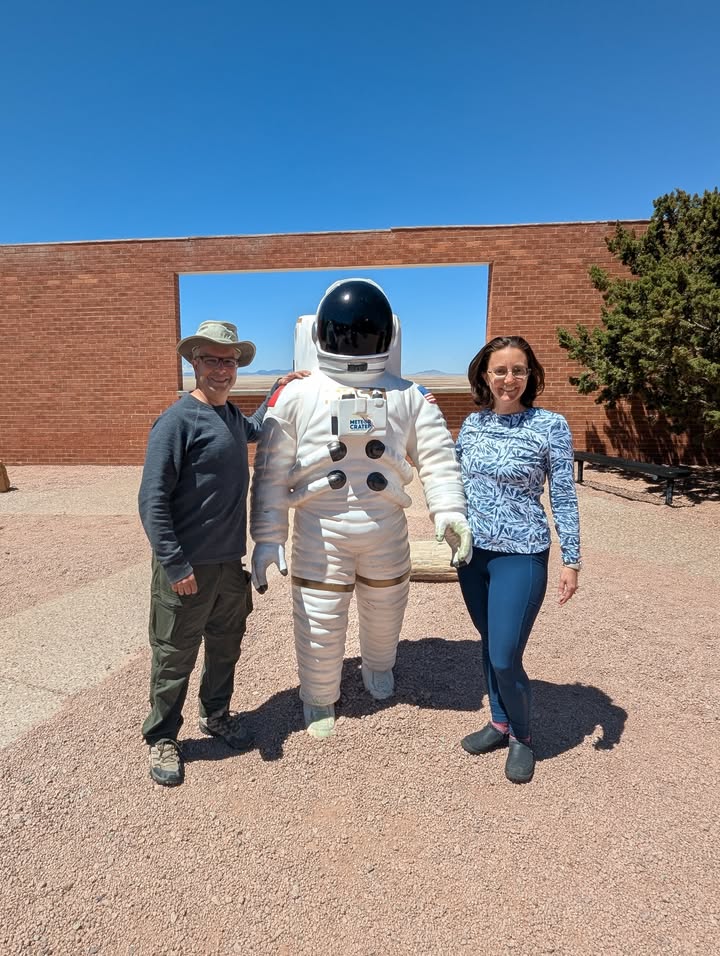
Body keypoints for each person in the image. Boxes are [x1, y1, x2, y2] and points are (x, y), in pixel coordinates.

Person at [250, 278, 471, 739]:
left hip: (384, 526)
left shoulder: (409, 395)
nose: (353, 338)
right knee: (319, 612)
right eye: (345, 330)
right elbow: (270, 471)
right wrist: (267, 536)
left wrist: (449, 510)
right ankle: (317, 692)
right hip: (319, 527)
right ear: (323, 334)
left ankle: (378, 666)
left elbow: (436, 455)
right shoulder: (296, 394)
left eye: (363, 330)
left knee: (386, 605)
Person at [138, 319, 307, 786]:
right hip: (188, 568)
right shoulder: (176, 422)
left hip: (228, 567)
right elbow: (151, 500)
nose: (220, 369)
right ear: (194, 363)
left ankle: (216, 715)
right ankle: (163, 737)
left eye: (228, 361)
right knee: (174, 655)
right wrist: (174, 564)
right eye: (211, 359)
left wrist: (278, 388)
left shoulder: (230, 416)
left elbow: (255, 428)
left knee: (225, 648)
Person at [456, 335, 581, 784]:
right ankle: (499, 722)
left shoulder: (550, 425)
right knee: (489, 644)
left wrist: (572, 559)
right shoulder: (472, 425)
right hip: (473, 556)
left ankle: (522, 737)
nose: (510, 379)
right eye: (500, 370)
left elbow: (563, 495)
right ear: (485, 376)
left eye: (519, 370)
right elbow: (451, 478)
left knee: (506, 655)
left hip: (522, 553)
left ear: (530, 375)